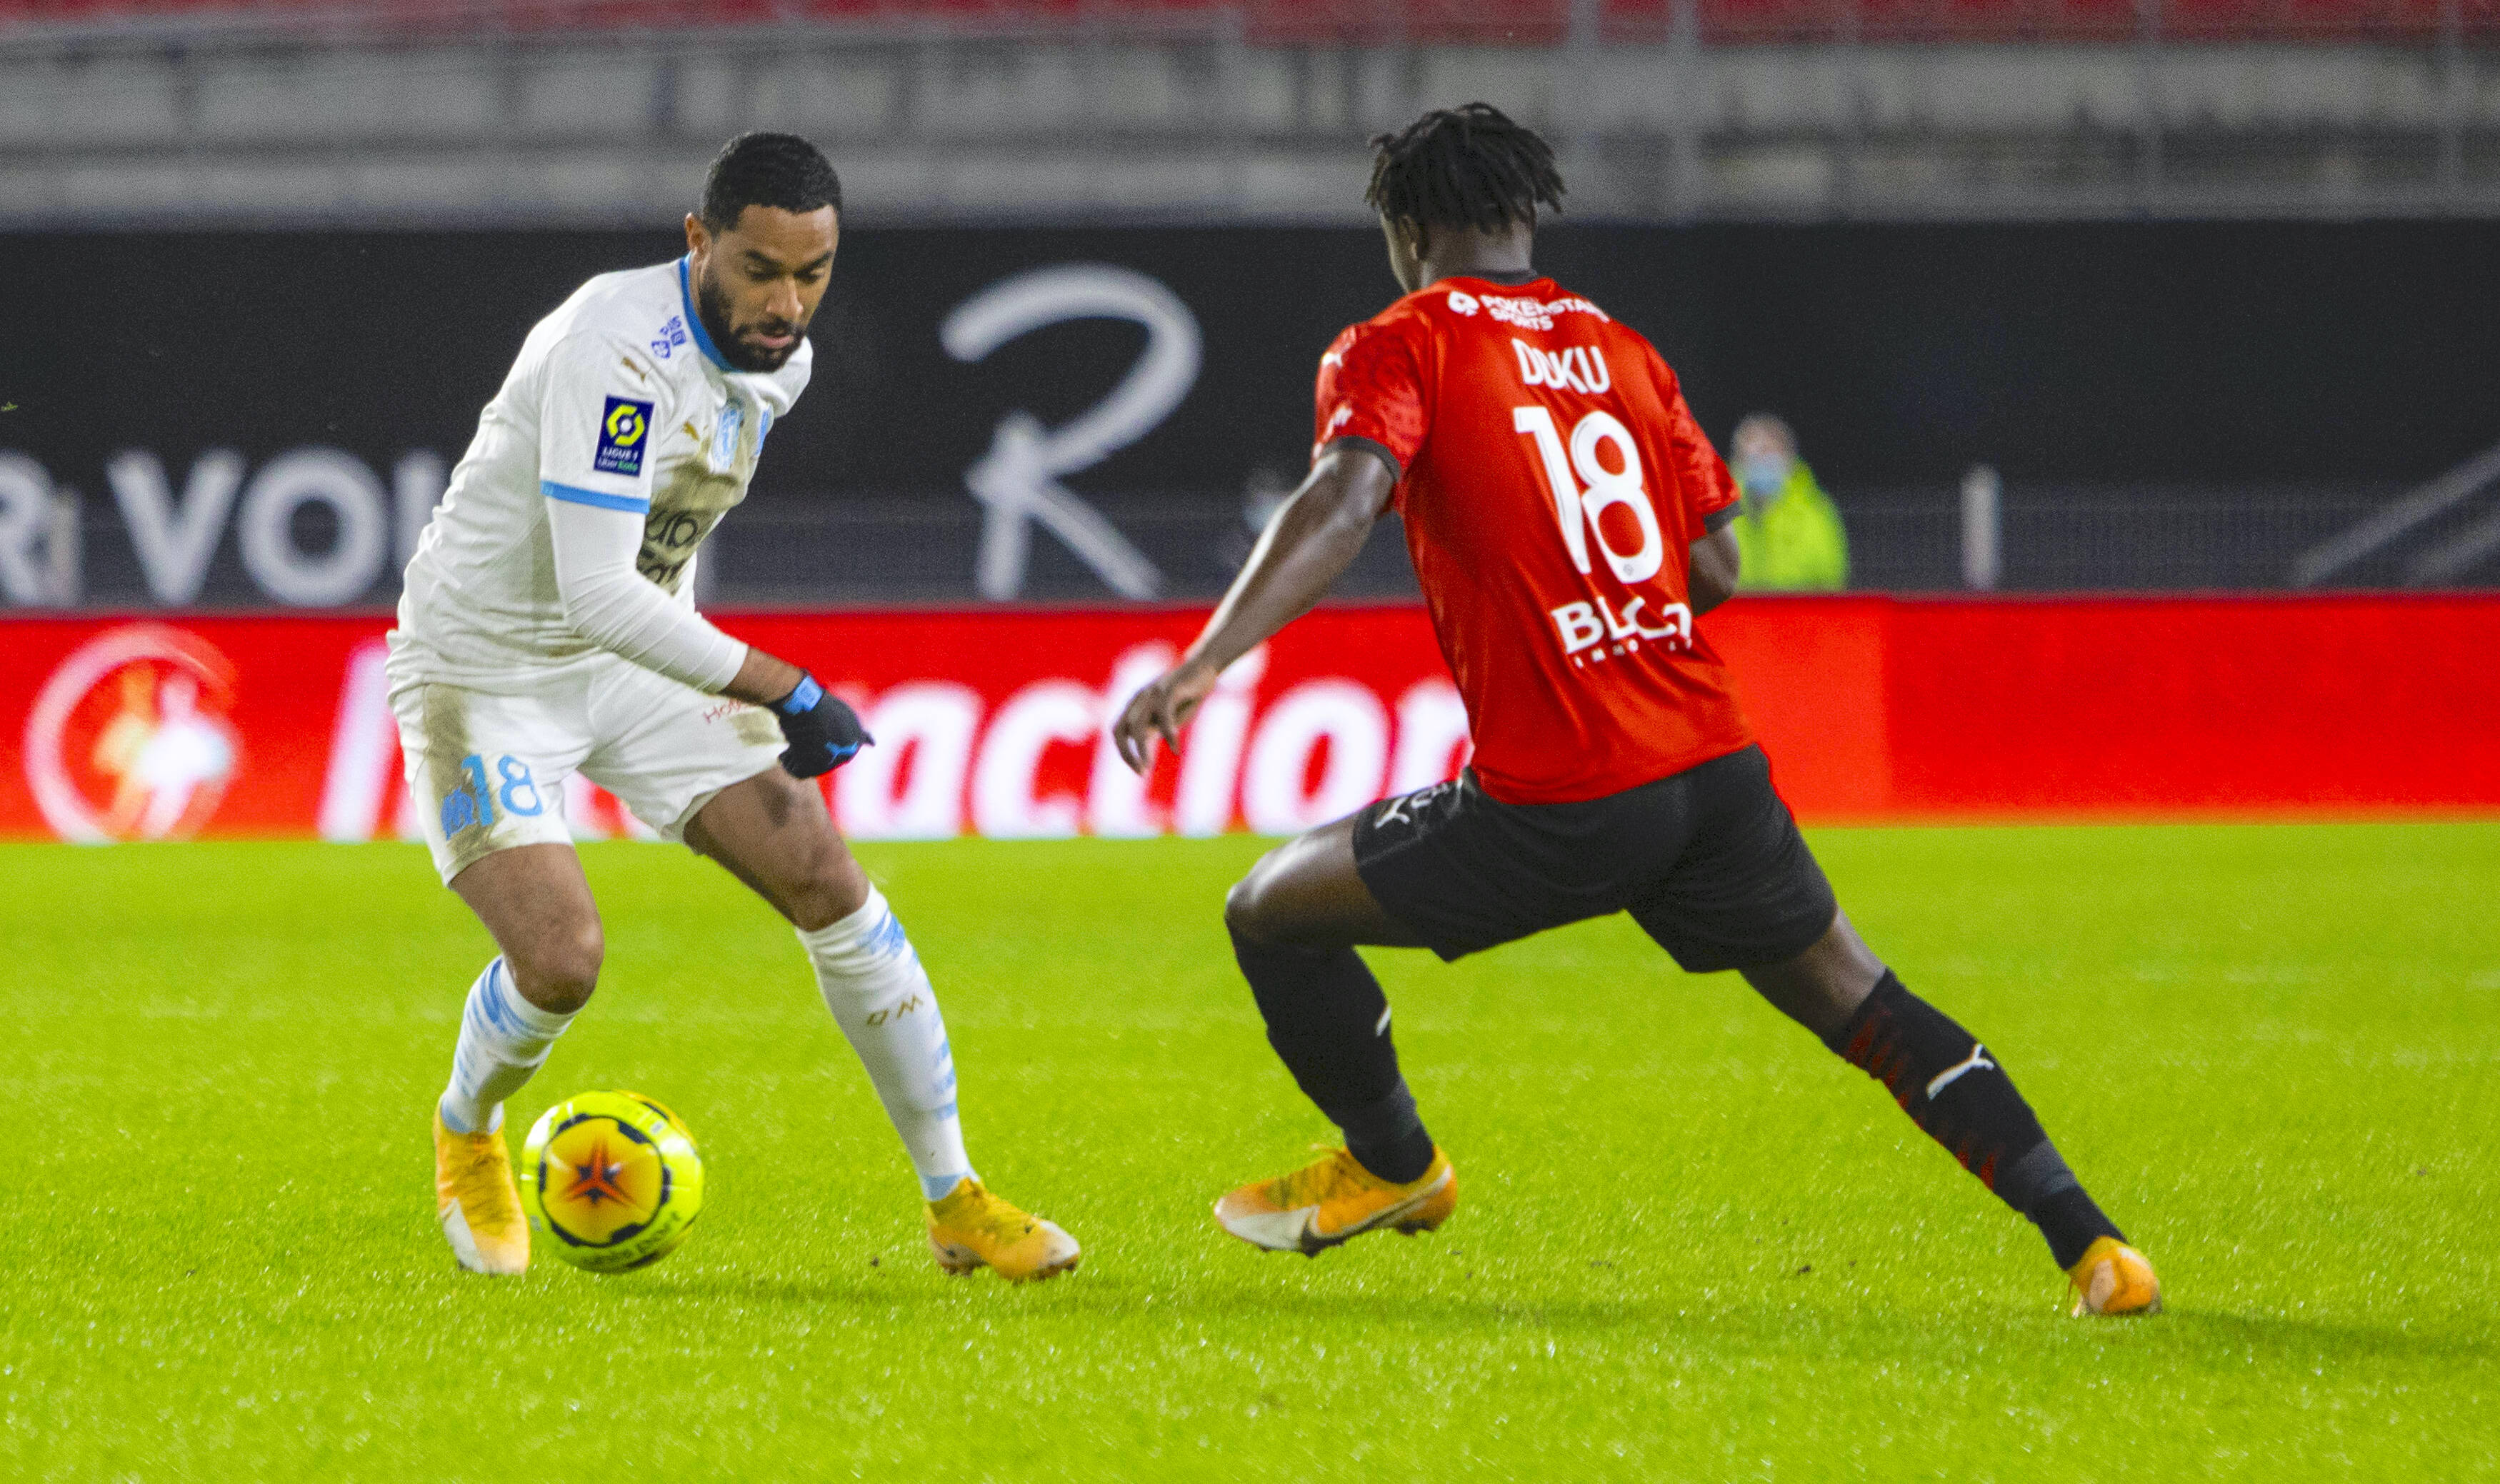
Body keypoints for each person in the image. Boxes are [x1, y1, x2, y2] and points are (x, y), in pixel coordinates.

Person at [1111, 104, 2156, 1316]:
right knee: (1864, 1001)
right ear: (1527, 215)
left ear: (1407, 231)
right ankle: (2094, 1244)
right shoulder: (1624, 350)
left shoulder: (1396, 344)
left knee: (1270, 909)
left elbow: (1346, 501)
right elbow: (1717, 567)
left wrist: (1200, 663)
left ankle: (1396, 1162)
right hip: (1712, 767)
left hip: (1561, 794)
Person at [393, 132, 1077, 1283]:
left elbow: (663, 549)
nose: (788, 301)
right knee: (562, 958)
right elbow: (598, 586)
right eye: (761, 268)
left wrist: (719, 698)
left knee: (827, 876)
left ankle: (954, 1198)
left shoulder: (781, 361)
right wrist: (782, 686)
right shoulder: (619, 351)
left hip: (632, 664)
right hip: (484, 667)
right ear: (698, 240)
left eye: (813, 273)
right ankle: (467, 1129)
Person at [1727, 413, 1849, 591]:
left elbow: (1832, 583)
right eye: (1749, 455)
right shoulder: (1718, 518)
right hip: (1736, 618)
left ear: (1788, 458)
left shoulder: (1816, 514)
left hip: (1801, 617)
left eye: (1766, 452)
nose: (1758, 463)